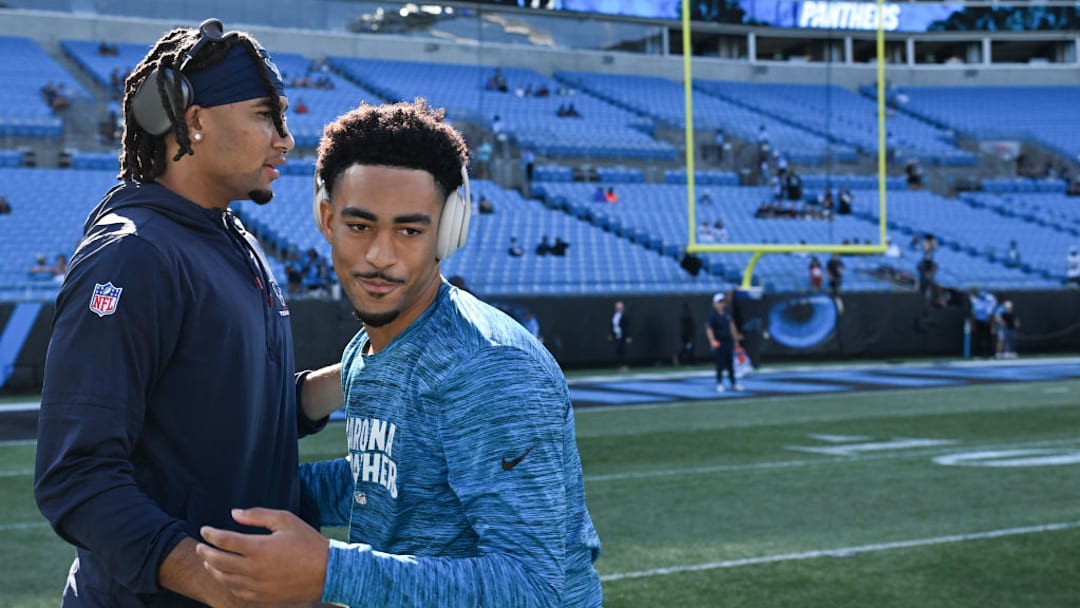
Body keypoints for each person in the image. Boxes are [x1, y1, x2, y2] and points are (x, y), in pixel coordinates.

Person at [196, 99, 603, 607]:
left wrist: (330, 570)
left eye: (409, 230)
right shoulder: (369, 350)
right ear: (326, 218)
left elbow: (534, 588)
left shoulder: (490, 368)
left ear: (449, 229)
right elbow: (388, 478)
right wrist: (261, 493)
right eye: (360, 226)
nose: (380, 256)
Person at [33, 20, 344, 607]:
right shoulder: (133, 254)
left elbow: (236, 409)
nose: (286, 138)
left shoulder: (233, 239)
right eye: (264, 115)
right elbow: (76, 475)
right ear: (195, 120)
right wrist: (223, 588)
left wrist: (352, 380)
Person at [705, 292, 743, 393]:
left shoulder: (727, 313)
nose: (721, 304)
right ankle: (719, 383)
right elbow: (709, 329)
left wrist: (735, 339)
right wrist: (712, 340)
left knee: (730, 363)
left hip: (728, 341)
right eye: (719, 302)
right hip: (719, 342)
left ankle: (733, 383)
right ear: (715, 303)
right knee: (719, 364)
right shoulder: (712, 316)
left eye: (722, 301)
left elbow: (732, 326)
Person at [969, 287, 998, 358]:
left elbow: (990, 314)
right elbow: (973, 314)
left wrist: (992, 324)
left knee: (988, 339)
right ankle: (977, 354)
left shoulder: (989, 302)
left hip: (986, 322)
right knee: (978, 338)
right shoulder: (976, 302)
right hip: (979, 322)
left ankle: (990, 354)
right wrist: (973, 325)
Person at [609, 300, 631, 371]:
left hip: (623, 335)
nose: (618, 308)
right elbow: (612, 326)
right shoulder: (614, 315)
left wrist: (628, 336)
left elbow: (627, 326)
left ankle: (624, 365)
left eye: (620, 306)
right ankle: (620, 365)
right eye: (617, 306)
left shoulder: (625, 315)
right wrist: (611, 334)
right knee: (618, 350)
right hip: (616, 335)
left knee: (622, 350)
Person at [677, 301, 696, 365]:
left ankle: (682, 358)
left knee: (688, 347)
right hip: (688, 336)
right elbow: (689, 327)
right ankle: (685, 359)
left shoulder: (683, 315)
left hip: (684, 335)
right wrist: (690, 336)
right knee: (689, 348)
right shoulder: (687, 316)